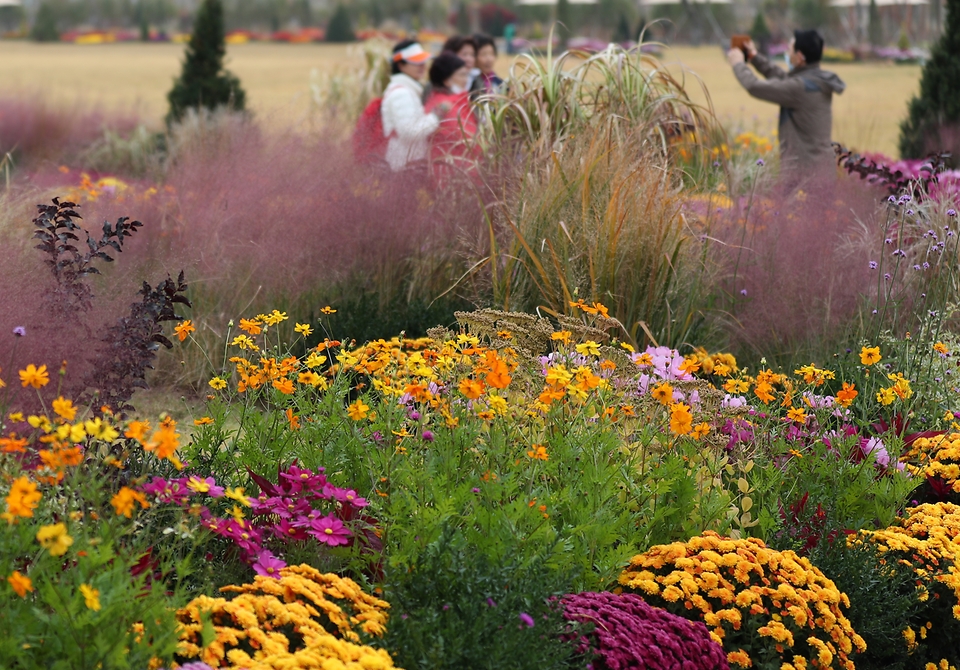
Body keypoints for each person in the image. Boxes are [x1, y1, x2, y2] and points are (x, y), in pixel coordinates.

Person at [727, 30, 846, 172]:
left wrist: (738, 64)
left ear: (800, 57)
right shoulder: (815, 80)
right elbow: (784, 78)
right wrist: (754, 57)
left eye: (790, 50)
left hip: (806, 174)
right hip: (818, 168)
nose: (787, 53)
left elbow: (754, 86)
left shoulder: (800, 88)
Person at [381, 40, 447, 173]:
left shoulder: (407, 90)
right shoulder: (401, 93)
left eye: (423, 61)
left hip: (406, 164)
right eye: (416, 62)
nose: (422, 66)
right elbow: (409, 133)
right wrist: (436, 115)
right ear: (400, 65)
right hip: (403, 167)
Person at [423, 51, 480, 182]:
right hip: (453, 175)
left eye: (466, 75)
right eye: (461, 75)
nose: (466, 80)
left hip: (458, 171)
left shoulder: (458, 101)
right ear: (446, 80)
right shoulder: (445, 105)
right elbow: (469, 139)